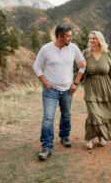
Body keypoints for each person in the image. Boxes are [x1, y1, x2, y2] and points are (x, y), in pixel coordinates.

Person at [33, 24, 86, 160]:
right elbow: (37, 66)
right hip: (50, 90)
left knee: (66, 115)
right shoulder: (46, 49)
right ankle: (46, 146)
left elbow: (82, 64)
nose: (70, 38)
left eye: (70, 35)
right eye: (68, 36)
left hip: (67, 89)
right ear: (60, 37)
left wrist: (75, 83)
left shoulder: (73, 48)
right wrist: (44, 82)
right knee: (48, 118)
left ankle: (64, 136)